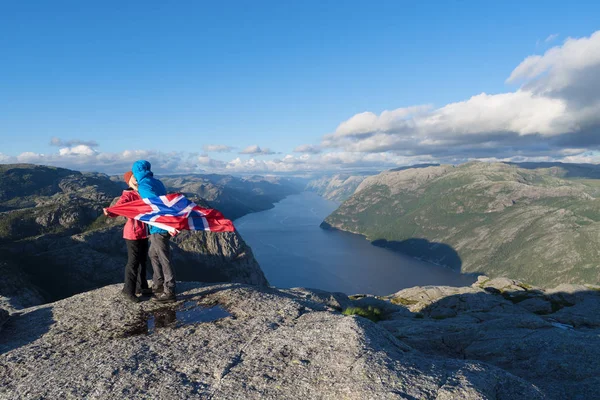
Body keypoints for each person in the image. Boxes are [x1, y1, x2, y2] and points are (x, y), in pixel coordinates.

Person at [132, 160, 177, 303]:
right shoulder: (157, 182)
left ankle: (169, 290)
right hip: (161, 225)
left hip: (158, 226)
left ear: (137, 172)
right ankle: (158, 283)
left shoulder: (144, 186)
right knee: (153, 254)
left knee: (164, 257)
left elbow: (153, 207)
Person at [103, 171, 151, 303]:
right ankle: (128, 290)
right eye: (134, 179)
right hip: (133, 233)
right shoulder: (127, 195)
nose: (137, 181)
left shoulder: (142, 193)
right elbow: (118, 208)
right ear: (129, 181)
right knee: (133, 262)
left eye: (137, 179)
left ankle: (142, 286)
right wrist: (109, 212)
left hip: (144, 232)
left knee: (142, 260)